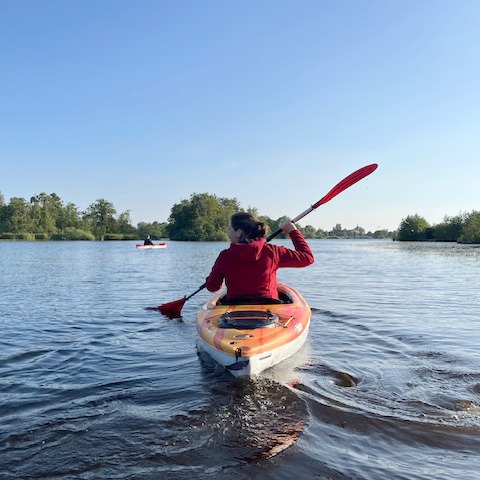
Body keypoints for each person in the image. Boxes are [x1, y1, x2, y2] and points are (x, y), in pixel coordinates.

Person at [205, 212, 314, 302]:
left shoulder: (225, 256)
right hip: (269, 309)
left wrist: (211, 280)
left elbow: (212, 287)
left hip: (235, 309)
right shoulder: (272, 251)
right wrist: (293, 231)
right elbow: (307, 258)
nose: (227, 232)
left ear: (238, 232)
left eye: (230, 228)